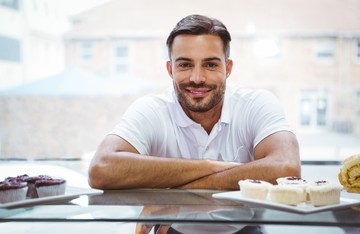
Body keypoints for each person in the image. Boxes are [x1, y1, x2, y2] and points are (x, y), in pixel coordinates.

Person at [88, 14, 300, 191]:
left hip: (243, 230)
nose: (197, 77)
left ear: (228, 68)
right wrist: (210, 166)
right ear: (170, 70)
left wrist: (177, 197)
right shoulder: (152, 109)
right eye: (185, 65)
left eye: (210, 64)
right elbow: (101, 169)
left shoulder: (256, 104)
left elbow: (286, 168)